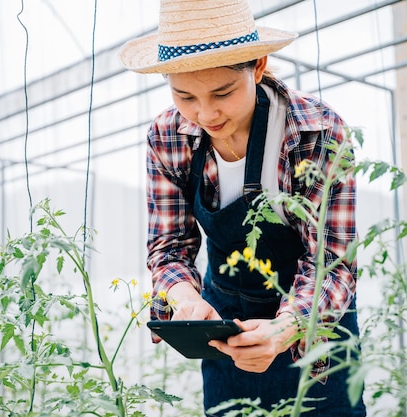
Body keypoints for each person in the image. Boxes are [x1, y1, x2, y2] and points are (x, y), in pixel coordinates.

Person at [119, 0, 366, 416]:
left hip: (312, 323)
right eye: (185, 95)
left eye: (223, 92)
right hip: (227, 321)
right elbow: (168, 248)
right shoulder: (168, 137)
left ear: (257, 66)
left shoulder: (315, 132)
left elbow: (333, 261)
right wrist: (185, 301)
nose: (205, 113)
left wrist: (285, 329)